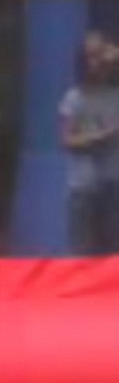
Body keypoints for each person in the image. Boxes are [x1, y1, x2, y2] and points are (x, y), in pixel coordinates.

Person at [60, 30, 119, 257]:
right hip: (84, 186)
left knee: (113, 253)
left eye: (101, 55)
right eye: (91, 57)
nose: (98, 62)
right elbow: (66, 139)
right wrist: (101, 136)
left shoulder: (115, 95)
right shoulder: (74, 97)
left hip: (114, 183)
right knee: (83, 253)